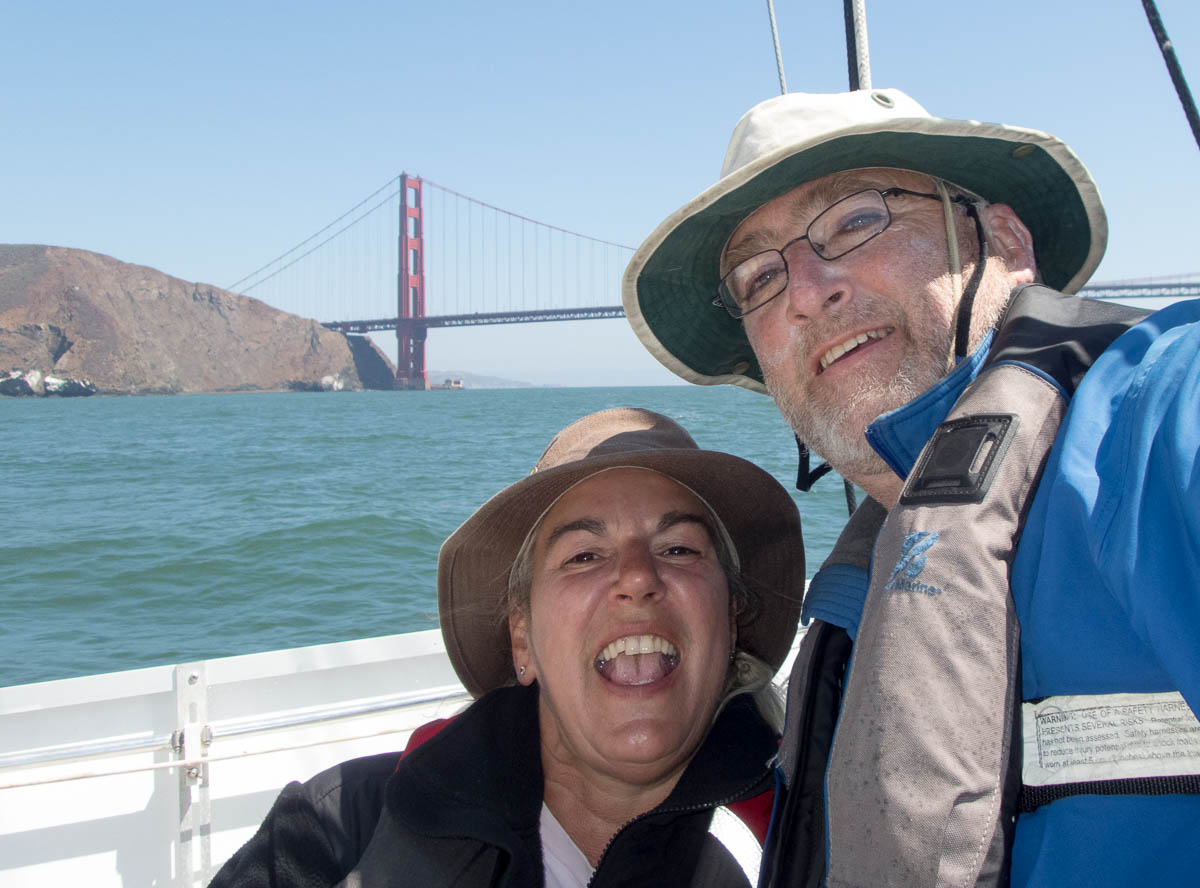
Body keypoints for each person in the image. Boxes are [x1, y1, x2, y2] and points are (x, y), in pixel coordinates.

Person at [623, 88, 1200, 886]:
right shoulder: (856, 597)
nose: (804, 291)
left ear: (1006, 241)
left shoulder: (1161, 415)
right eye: (757, 278)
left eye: (857, 221)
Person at [208, 407, 805, 887]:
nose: (637, 577)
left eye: (678, 549)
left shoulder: (820, 837)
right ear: (523, 638)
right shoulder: (338, 827)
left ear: (730, 619)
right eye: (584, 556)